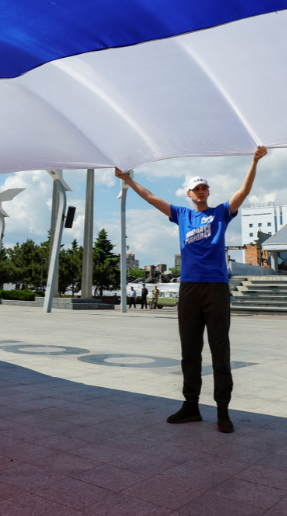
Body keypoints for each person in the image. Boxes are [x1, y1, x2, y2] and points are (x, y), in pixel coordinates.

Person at [116, 145, 266, 434]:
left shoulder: (221, 213)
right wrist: (128, 180)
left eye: (204, 187)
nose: (201, 191)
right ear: (188, 193)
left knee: (219, 349)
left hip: (216, 288)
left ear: (208, 192)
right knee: (190, 350)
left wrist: (254, 161)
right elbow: (150, 198)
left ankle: (223, 410)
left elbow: (243, 192)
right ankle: (191, 406)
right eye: (196, 188)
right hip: (189, 288)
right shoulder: (182, 215)